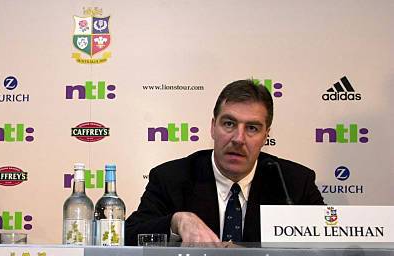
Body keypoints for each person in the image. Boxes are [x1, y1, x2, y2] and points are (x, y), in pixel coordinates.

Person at [125, 79, 324, 245]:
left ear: (266, 136)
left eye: (252, 128)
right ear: (213, 127)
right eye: (229, 124)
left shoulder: (293, 182)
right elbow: (128, 236)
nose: (238, 138)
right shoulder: (172, 177)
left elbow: (333, 243)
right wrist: (177, 221)